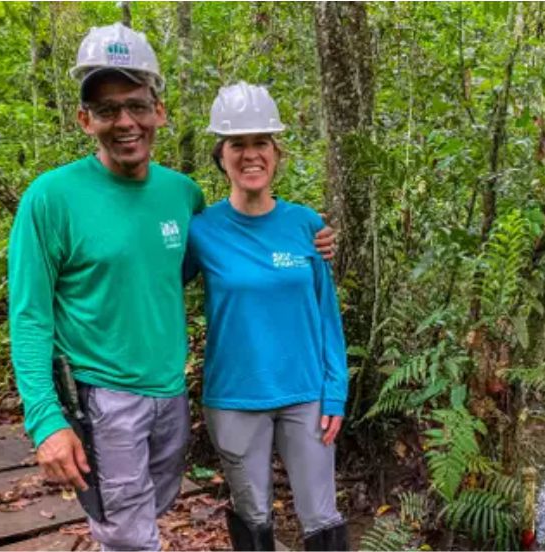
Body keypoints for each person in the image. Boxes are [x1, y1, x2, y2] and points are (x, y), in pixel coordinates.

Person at [8, 25, 335, 551]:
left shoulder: (181, 195)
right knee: (129, 533)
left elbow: (196, 264)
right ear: (83, 119)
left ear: (159, 111)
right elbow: (28, 316)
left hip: (169, 392)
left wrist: (310, 244)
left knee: (149, 509)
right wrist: (46, 418)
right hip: (101, 392)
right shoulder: (50, 199)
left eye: (136, 105)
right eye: (107, 109)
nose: (125, 122)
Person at [184, 82, 349, 551]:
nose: (250, 154)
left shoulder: (306, 225)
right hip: (234, 396)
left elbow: (326, 315)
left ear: (277, 154)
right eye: (238, 144)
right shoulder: (202, 230)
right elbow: (156, 284)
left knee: (322, 516)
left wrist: (335, 391)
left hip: (306, 395)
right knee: (252, 515)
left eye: (261, 143)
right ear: (222, 155)